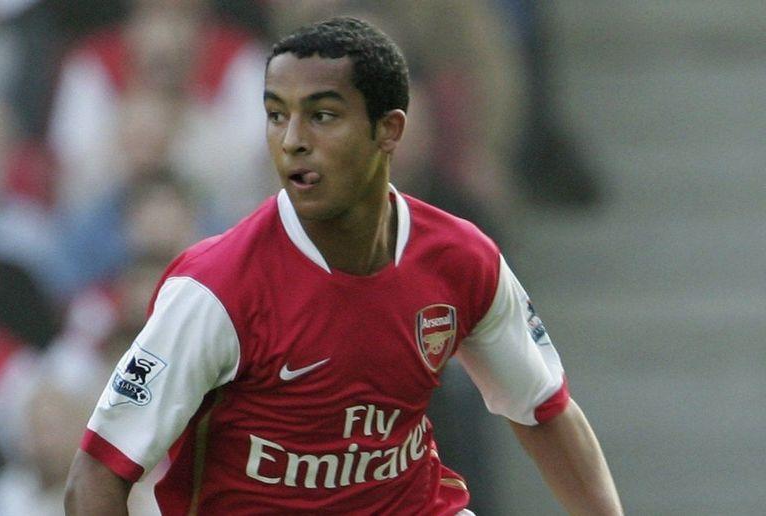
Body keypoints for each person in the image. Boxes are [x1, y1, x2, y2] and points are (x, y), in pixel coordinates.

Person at [65, 17, 622, 515]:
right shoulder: (215, 288)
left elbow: (544, 410)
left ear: (389, 130)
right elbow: (95, 477)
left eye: (322, 116)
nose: (292, 142)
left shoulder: (461, 259)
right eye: (277, 116)